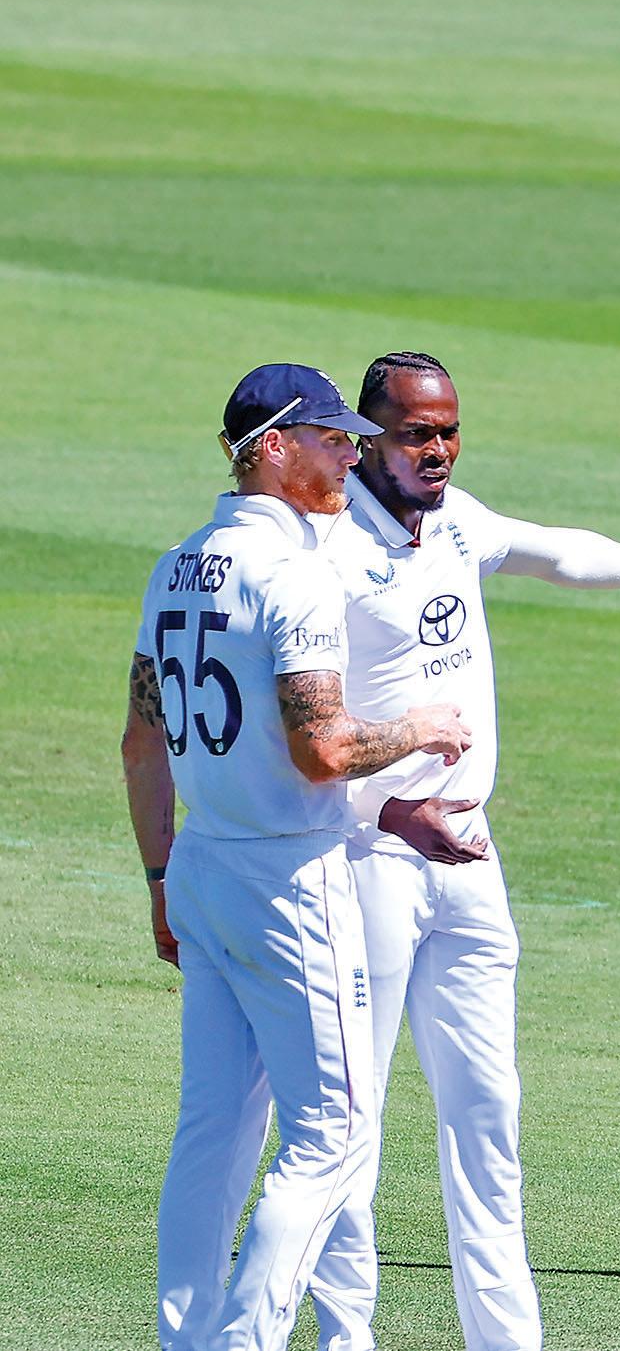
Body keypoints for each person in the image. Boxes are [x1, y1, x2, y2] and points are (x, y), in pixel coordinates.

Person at [304, 351, 620, 1351]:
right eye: (417, 431)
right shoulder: (327, 557)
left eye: (449, 429)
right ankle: (345, 1338)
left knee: (489, 1118)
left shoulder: (456, 522)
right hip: (369, 859)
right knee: (350, 1126)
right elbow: (306, 747)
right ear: (366, 437)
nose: (438, 449)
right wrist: (389, 812)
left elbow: (561, 552)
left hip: (468, 855)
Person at [120, 363, 473, 1351]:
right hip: (288, 881)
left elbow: (140, 746)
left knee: (212, 1137)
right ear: (270, 448)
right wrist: (418, 728)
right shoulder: (295, 574)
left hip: (202, 873)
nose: (350, 453)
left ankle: (188, 1339)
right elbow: (322, 749)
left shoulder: (175, 565)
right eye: (329, 438)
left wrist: (158, 879)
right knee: (333, 1138)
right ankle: (244, 1341)